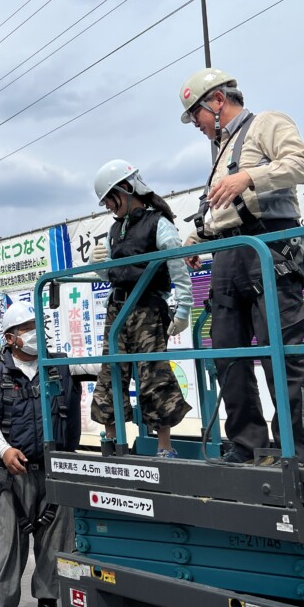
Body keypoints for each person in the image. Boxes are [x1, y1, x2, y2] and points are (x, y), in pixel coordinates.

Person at [178, 67, 304, 464]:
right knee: (228, 355)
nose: (196, 124)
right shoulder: (222, 149)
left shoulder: (266, 123)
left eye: (196, 114)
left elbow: (302, 164)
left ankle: (297, 452)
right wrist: (197, 239)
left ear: (217, 101)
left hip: (268, 248)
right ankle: (246, 445)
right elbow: (225, 214)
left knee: (281, 354)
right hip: (228, 254)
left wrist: (249, 178)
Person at [0, 300, 81, 607]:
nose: (35, 333)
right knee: (8, 547)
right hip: (13, 477)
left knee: (56, 546)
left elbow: (100, 365)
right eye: (26, 328)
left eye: (38, 326)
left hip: (54, 473)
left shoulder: (60, 366)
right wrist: (4, 450)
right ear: (10, 338)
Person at [89, 160, 193, 458]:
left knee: (154, 375)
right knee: (111, 374)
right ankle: (112, 444)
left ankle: (164, 447)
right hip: (118, 309)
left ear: (125, 188)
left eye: (110, 199)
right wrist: (98, 266)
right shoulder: (114, 229)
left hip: (148, 308)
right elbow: (112, 275)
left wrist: (183, 308)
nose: (108, 206)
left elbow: (177, 266)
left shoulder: (158, 223)